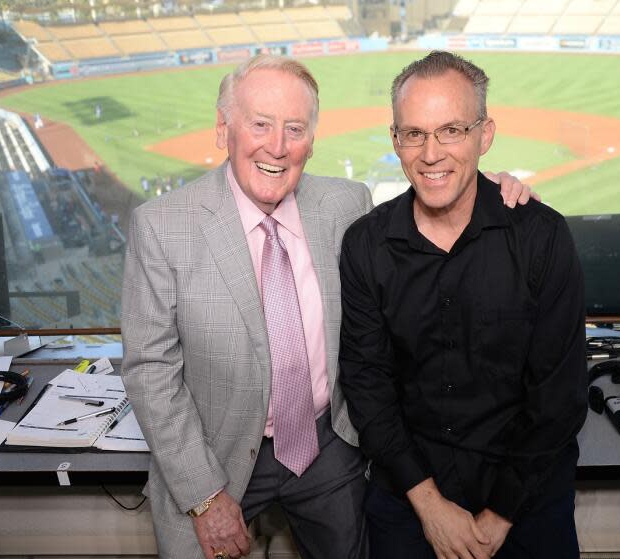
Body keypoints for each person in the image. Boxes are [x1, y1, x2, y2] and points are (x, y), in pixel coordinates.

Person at [121, 54, 534, 559]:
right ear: (223, 128)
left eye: (294, 128)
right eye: (260, 125)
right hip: (216, 456)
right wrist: (205, 499)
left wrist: (495, 187)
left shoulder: (348, 206)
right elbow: (149, 370)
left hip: (328, 445)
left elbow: (436, 184)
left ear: (312, 141)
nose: (277, 146)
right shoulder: (162, 226)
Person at [339, 51, 588, 559]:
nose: (431, 153)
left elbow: (558, 399)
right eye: (414, 134)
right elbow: (368, 386)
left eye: (451, 130)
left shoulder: (542, 236)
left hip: (525, 491)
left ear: (485, 135)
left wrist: (497, 518)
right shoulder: (366, 243)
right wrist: (430, 507)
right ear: (396, 140)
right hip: (412, 487)